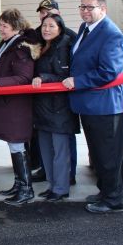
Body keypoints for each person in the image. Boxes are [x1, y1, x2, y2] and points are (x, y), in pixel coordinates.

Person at [63, 0, 123, 214]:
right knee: (99, 154)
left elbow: (109, 72)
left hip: (107, 106)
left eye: (90, 7)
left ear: (103, 9)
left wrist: (78, 81)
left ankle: (113, 200)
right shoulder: (86, 29)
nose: (85, 11)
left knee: (109, 155)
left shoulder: (111, 34)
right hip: (91, 104)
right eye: (82, 6)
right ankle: (105, 191)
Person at [0, 8, 39, 206]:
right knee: (14, 145)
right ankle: (19, 184)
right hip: (8, 104)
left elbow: (23, 77)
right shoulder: (8, 44)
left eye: (4, 26)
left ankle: (26, 189)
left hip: (16, 105)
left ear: (15, 27)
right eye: (1, 25)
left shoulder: (21, 48)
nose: (1, 29)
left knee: (17, 144)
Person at [32, 13, 79, 202]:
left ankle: (61, 188)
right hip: (43, 106)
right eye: (44, 25)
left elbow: (64, 77)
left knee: (60, 151)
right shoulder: (42, 47)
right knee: (46, 150)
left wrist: (44, 78)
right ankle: (52, 185)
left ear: (60, 28)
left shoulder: (64, 47)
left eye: (51, 26)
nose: (46, 29)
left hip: (59, 107)